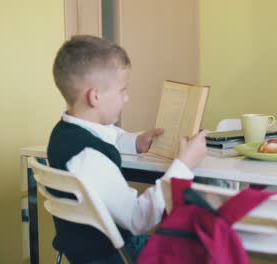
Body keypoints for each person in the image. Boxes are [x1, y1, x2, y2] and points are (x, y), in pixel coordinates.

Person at [47, 35, 208, 263]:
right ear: (95, 96)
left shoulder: (64, 133)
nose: (127, 98)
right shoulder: (89, 155)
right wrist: (184, 165)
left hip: (84, 253)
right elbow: (138, 218)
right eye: (122, 90)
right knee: (203, 247)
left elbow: (107, 137)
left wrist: (136, 142)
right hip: (115, 255)